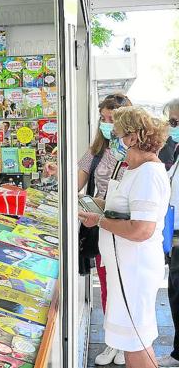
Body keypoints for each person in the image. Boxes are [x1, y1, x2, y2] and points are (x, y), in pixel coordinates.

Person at [79, 106, 170, 368]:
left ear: (133, 137)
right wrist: (94, 205)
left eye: (117, 134)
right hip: (125, 270)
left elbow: (142, 230)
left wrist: (100, 220)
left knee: (136, 341)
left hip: (135, 271)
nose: (113, 140)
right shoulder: (134, 169)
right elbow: (122, 209)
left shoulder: (148, 174)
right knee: (133, 341)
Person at [77, 93, 131, 366]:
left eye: (113, 119)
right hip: (100, 226)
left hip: (128, 229)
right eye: (104, 119)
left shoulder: (138, 153)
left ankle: (127, 342)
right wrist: (57, 173)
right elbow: (78, 178)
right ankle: (113, 341)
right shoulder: (97, 149)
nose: (108, 124)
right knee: (107, 283)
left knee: (127, 286)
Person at [157, 98, 179, 367]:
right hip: (173, 232)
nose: (171, 127)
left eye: (175, 122)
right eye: (170, 122)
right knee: (175, 291)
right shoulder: (172, 150)